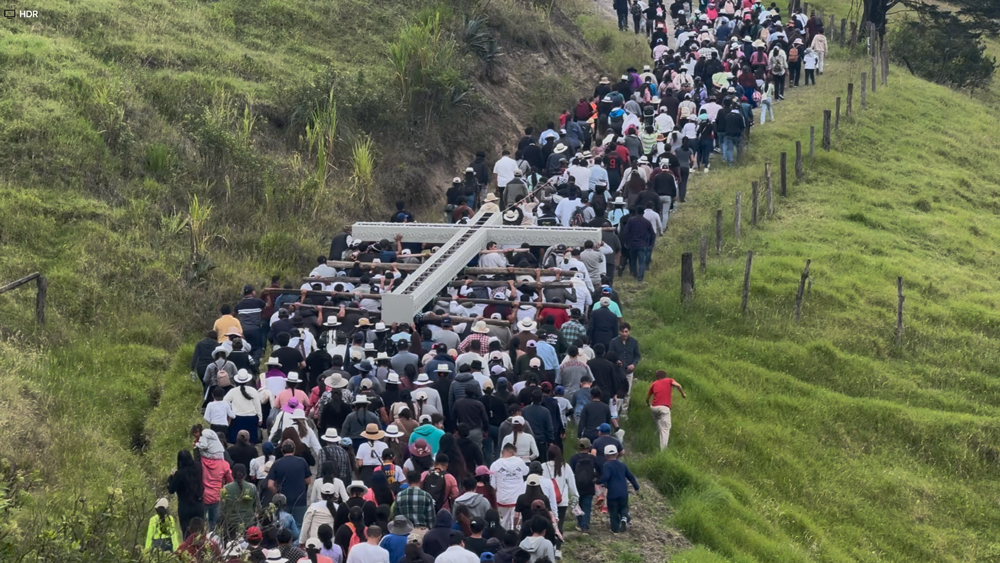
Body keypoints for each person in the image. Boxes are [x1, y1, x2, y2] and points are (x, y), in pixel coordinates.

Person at [269, 439, 315, 526]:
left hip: (283, 502)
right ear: (294, 449)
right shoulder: (302, 462)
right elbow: (308, 480)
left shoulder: (277, 464)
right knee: (299, 526)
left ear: (282, 450)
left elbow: (270, 485)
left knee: (282, 527)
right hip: (300, 501)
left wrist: (277, 494)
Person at [596, 445, 639, 534]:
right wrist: (636, 487)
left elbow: (605, 477)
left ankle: (615, 529)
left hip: (612, 493)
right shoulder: (622, 465)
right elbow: (630, 476)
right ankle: (624, 517)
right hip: (623, 491)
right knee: (624, 506)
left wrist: (597, 481)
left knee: (613, 510)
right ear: (616, 454)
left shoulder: (607, 465)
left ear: (605, 455)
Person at [489, 443, 527, 529]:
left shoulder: (495, 465)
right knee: (516, 525)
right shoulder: (519, 461)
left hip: (502, 499)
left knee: (503, 524)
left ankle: (503, 536)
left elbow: (493, 485)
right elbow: (526, 472)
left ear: (502, 451)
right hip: (517, 499)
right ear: (514, 452)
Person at [540, 445, 576, 536]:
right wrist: (575, 500)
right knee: (559, 524)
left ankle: (548, 542)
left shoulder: (543, 466)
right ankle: (558, 542)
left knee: (546, 524)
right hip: (562, 501)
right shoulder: (565, 467)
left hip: (546, 501)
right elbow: (572, 486)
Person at [645, 370, 686, 449]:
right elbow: (678, 385)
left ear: (656, 377)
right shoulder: (669, 380)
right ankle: (663, 450)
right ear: (665, 376)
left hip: (654, 408)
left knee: (659, 425)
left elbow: (647, 398)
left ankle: (655, 439)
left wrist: (648, 405)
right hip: (664, 408)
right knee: (665, 429)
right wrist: (682, 394)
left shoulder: (654, 384)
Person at [168, 450, 205, 535]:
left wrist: (171, 477)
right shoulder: (198, 468)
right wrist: (196, 449)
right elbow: (198, 459)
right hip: (198, 504)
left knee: (186, 532)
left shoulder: (179, 474)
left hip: (185, 506)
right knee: (200, 531)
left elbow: (171, 490)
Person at [221, 463, 260, 539]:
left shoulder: (226, 488)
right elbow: (258, 507)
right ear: (245, 474)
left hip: (232, 525)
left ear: (232, 474)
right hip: (249, 524)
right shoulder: (252, 487)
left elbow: (222, 509)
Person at [302, 482, 344, 548]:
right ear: (333, 495)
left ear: (321, 494)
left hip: (314, 542)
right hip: (332, 542)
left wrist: (302, 541)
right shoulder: (338, 507)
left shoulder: (313, 507)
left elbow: (306, 525)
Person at [568, 439, 597, 535]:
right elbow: (599, 470)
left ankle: (579, 523)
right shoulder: (592, 458)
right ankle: (585, 526)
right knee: (587, 507)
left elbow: (570, 472)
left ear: (579, 447)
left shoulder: (574, 458)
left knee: (578, 505)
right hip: (589, 486)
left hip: (577, 486)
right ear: (589, 447)